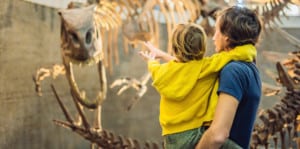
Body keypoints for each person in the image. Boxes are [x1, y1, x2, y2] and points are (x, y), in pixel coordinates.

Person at [139, 22, 256, 149]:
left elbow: (178, 68)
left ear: (174, 47)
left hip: (172, 140)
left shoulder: (162, 72)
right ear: (202, 47)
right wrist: (251, 48)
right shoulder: (206, 67)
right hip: (195, 135)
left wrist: (152, 60)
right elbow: (238, 54)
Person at [195, 6, 262, 149]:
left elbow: (218, 135)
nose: (213, 37)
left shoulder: (233, 70)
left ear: (227, 37)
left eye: (216, 31)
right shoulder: (250, 68)